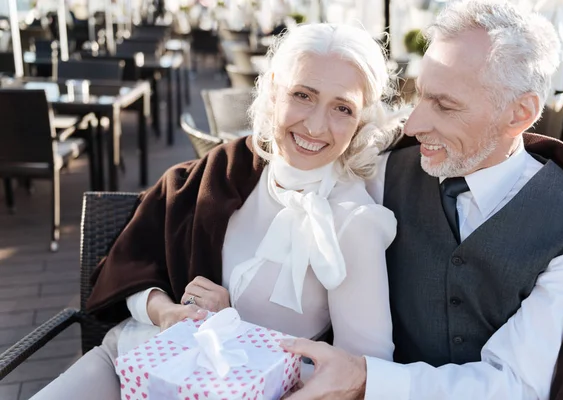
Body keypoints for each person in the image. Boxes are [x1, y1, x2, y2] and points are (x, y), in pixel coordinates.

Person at [31, 23, 404, 399]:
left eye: (342, 107)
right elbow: (131, 261)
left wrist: (238, 334)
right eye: (303, 95)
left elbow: (361, 374)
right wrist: (167, 312)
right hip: (131, 360)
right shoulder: (228, 168)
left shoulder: (354, 222)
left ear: (361, 120)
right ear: (274, 90)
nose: (316, 125)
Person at [279, 1, 563, 399]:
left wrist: (368, 379)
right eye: (420, 95)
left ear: (519, 114)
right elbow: (282, 167)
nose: (413, 125)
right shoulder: (384, 170)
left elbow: (517, 386)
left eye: (444, 105)